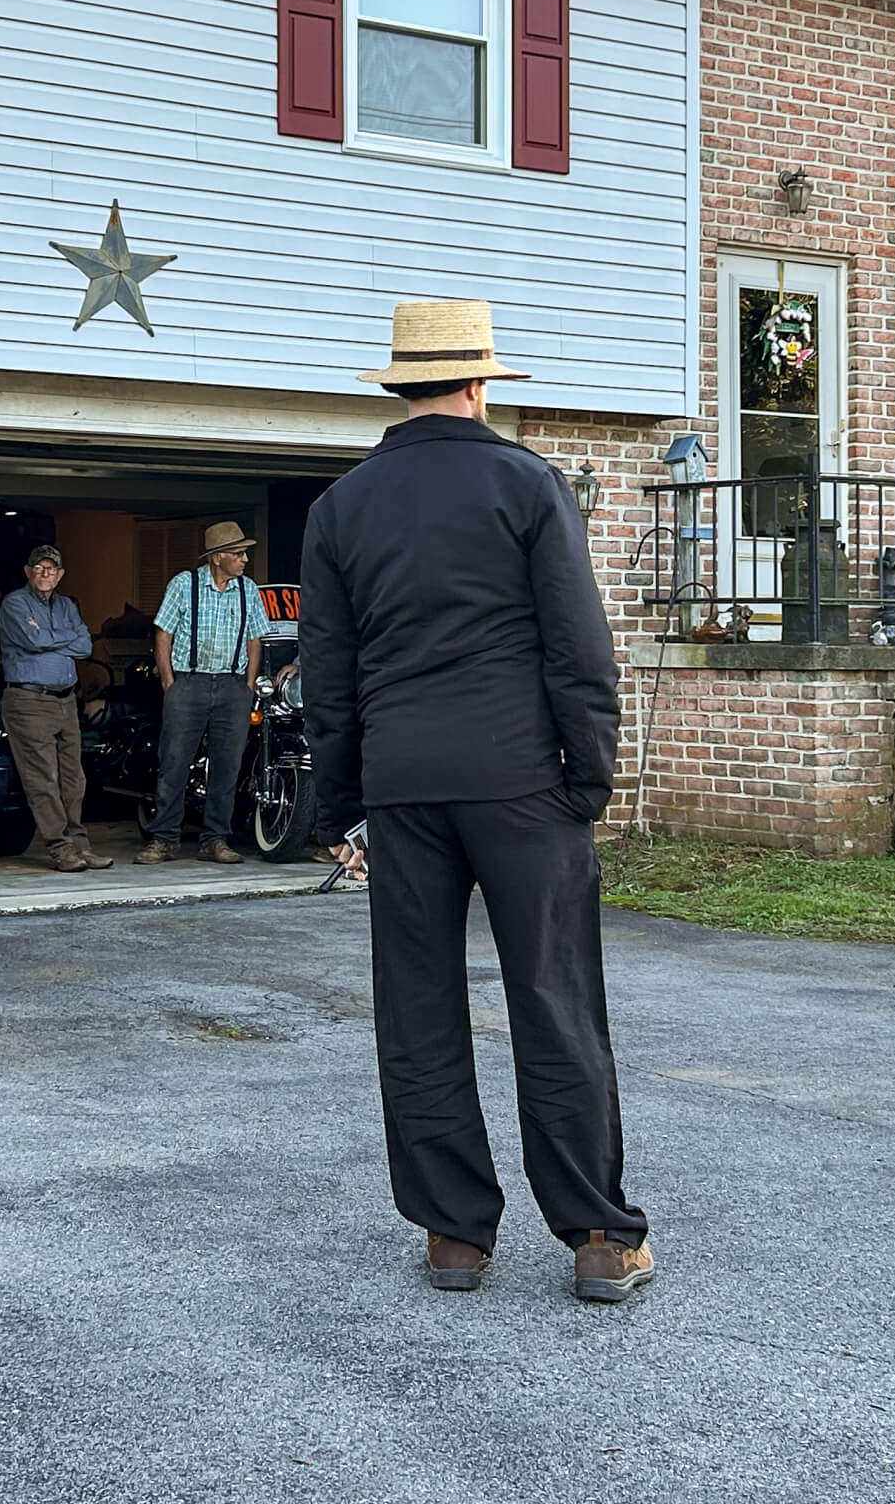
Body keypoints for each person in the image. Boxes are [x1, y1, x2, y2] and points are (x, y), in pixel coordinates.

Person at [301, 298, 649, 1304]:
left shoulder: (340, 508)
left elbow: (330, 679)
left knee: (416, 1009)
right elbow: (576, 650)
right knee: (553, 998)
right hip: (518, 780)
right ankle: (595, 1237)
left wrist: (338, 812)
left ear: (400, 386)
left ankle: (454, 1235)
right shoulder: (525, 482)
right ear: (479, 383)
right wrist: (586, 776)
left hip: (403, 781)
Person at [138, 521, 272, 866]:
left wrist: (248, 683)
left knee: (227, 768)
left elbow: (255, 639)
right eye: (238, 554)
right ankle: (164, 838)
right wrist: (170, 682)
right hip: (189, 682)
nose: (244, 560)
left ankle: (215, 839)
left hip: (232, 686)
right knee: (174, 764)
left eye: (245, 554)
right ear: (217, 557)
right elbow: (163, 634)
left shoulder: (248, 589)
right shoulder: (185, 585)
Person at [0, 544, 102, 872]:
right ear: (29, 571)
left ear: (60, 575)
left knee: (74, 777)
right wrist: (62, 639)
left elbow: (85, 645)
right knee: (43, 777)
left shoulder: (67, 604)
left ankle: (79, 843)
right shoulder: (15, 602)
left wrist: (51, 637)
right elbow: (33, 641)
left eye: (51, 569)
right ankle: (60, 846)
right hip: (29, 700)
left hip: (66, 699)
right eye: (39, 568)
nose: (45, 574)